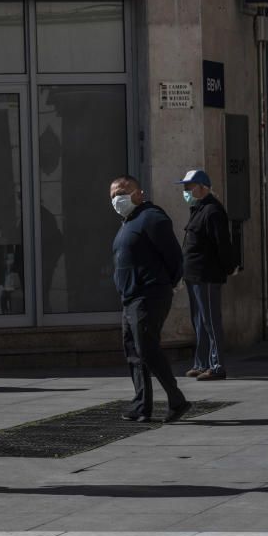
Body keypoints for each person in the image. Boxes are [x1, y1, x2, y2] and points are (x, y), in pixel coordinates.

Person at [110, 175, 191, 424]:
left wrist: (171, 282)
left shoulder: (151, 217)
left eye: (122, 192)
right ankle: (141, 405)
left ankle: (177, 400)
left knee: (147, 348)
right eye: (113, 195)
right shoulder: (129, 222)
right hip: (131, 297)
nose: (117, 199)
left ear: (138, 193)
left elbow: (174, 256)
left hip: (149, 294)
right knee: (134, 351)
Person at [177, 170, 237, 381]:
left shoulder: (212, 211)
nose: (185, 191)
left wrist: (229, 267)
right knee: (199, 322)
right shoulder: (198, 209)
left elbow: (223, 244)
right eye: (185, 187)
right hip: (194, 275)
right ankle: (201, 363)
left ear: (202, 187)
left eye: (189, 187)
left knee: (210, 321)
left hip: (207, 275)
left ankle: (217, 365)